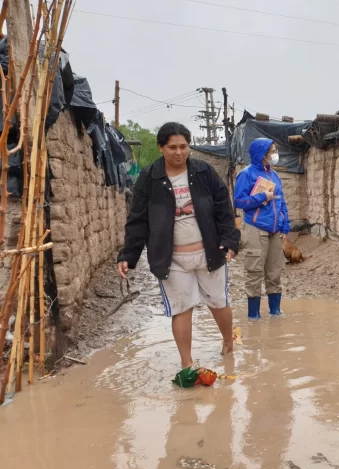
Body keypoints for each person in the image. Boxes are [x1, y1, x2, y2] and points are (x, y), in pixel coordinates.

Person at [117, 122, 240, 369]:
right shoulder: (149, 178)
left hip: (209, 254)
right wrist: (128, 255)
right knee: (181, 309)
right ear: (161, 148)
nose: (179, 152)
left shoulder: (204, 172)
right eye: (172, 147)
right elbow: (138, 219)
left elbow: (224, 209)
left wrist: (229, 241)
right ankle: (187, 363)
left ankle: (228, 343)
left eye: (183, 146)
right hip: (171, 259)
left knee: (218, 303)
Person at [233, 138, 291, 319]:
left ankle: (275, 312)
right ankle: (254, 316)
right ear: (262, 154)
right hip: (255, 228)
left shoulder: (274, 175)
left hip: (274, 230)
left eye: (275, 150)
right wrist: (261, 197)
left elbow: (281, 202)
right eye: (272, 151)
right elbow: (238, 201)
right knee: (254, 272)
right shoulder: (247, 174)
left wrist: (285, 225)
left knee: (274, 272)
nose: (275, 155)